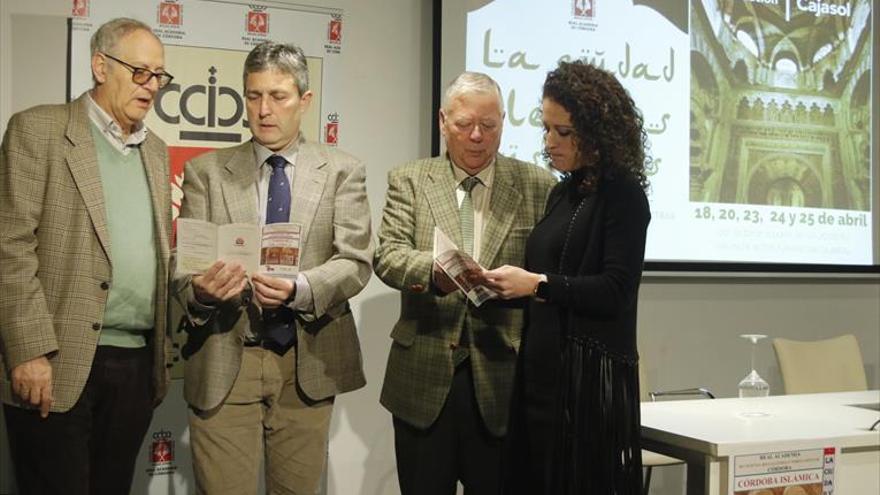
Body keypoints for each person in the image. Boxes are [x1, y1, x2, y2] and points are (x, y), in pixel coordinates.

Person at [173, 41, 371, 495]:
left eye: (278, 96)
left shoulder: (343, 171)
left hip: (306, 361)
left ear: (304, 100)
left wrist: (300, 288)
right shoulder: (206, 171)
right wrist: (202, 291)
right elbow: (183, 268)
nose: (264, 110)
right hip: (227, 354)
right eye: (254, 95)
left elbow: (355, 262)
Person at [0, 18, 173, 494]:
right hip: (56, 360)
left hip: (136, 363)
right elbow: (9, 246)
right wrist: (29, 349)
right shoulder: (39, 129)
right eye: (140, 72)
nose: (152, 86)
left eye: (159, 76)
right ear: (100, 65)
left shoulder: (156, 151)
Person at [374, 72, 555, 494]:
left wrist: (526, 284)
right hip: (423, 376)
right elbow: (388, 256)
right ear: (442, 121)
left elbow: (549, 275)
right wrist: (433, 272)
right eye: (463, 125)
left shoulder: (538, 185)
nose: (476, 136)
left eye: (489, 126)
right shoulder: (411, 179)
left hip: (504, 378)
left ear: (503, 122)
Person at [482, 61, 652, 494]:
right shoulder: (563, 191)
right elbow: (552, 277)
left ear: (598, 133)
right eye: (546, 129)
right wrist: (496, 286)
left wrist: (537, 284)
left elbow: (615, 290)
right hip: (541, 374)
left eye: (564, 132)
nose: (549, 142)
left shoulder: (624, 196)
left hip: (586, 388)